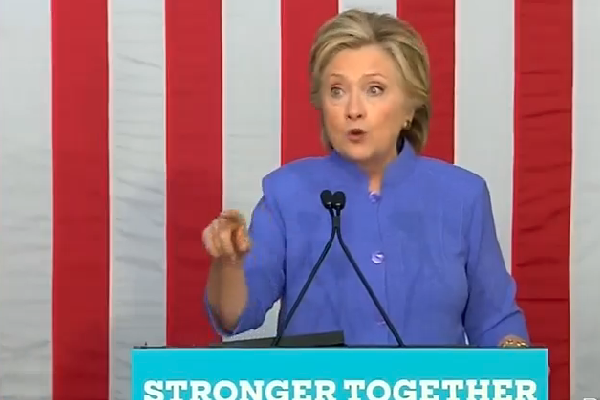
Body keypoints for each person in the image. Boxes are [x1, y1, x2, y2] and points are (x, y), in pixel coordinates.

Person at [202, 9, 529, 347]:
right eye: (337, 91)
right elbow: (234, 317)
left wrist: (517, 362)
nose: (353, 109)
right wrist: (229, 264)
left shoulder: (463, 196)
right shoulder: (287, 192)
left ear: (410, 107)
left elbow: (494, 321)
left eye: (374, 89)